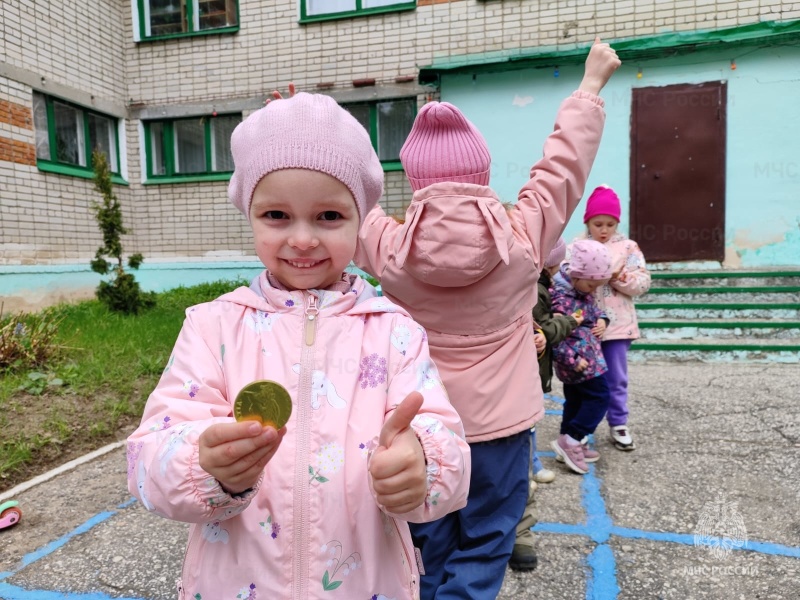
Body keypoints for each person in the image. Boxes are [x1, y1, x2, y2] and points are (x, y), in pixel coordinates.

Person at [125, 92, 471, 600]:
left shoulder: (394, 331)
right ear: (250, 214)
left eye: (329, 216)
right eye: (277, 216)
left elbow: (445, 438)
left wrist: (422, 465)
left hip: (365, 585)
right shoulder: (213, 327)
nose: (304, 239)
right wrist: (201, 465)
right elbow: (148, 455)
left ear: (361, 221)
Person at [354, 38, 621, 599]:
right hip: (502, 430)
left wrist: (294, 132)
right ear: (481, 172)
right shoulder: (524, 235)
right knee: (490, 539)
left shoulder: (389, 246)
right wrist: (589, 89)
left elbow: (348, 201)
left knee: (426, 540)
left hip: (422, 427)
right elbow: (563, 169)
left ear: (414, 179)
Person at [510, 237, 584, 570]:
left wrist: (538, 333)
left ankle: (520, 532)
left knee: (519, 440)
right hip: (502, 381)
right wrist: (566, 324)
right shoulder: (535, 286)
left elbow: (535, 327)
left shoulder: (530, 283)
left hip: (518, 381)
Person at [573, 185, 651, 450]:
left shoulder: (628, 248)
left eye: (610, 224)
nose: (604, 230)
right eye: (597, 224)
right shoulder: (578, 247)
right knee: (585, 378)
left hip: (617, 326)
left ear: (617, 223)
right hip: (585, 326)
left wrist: (618, 278)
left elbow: (642, 283)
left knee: (616, 377)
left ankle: (618, 422)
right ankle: (581, 426)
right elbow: (567, 280)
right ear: (588, 222)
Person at [550, 239, 614, 475]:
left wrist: (602, 319)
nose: (594, 289)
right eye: (591, 284)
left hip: (587, 358)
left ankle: (566, 440)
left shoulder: (579, 290)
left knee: (575, 401)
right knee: (600, 397)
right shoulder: (561, 299)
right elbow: (554, 336)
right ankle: (573, 439)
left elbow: (592, 310)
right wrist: (573, 360)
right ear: (576, 275)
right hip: (580, 363)